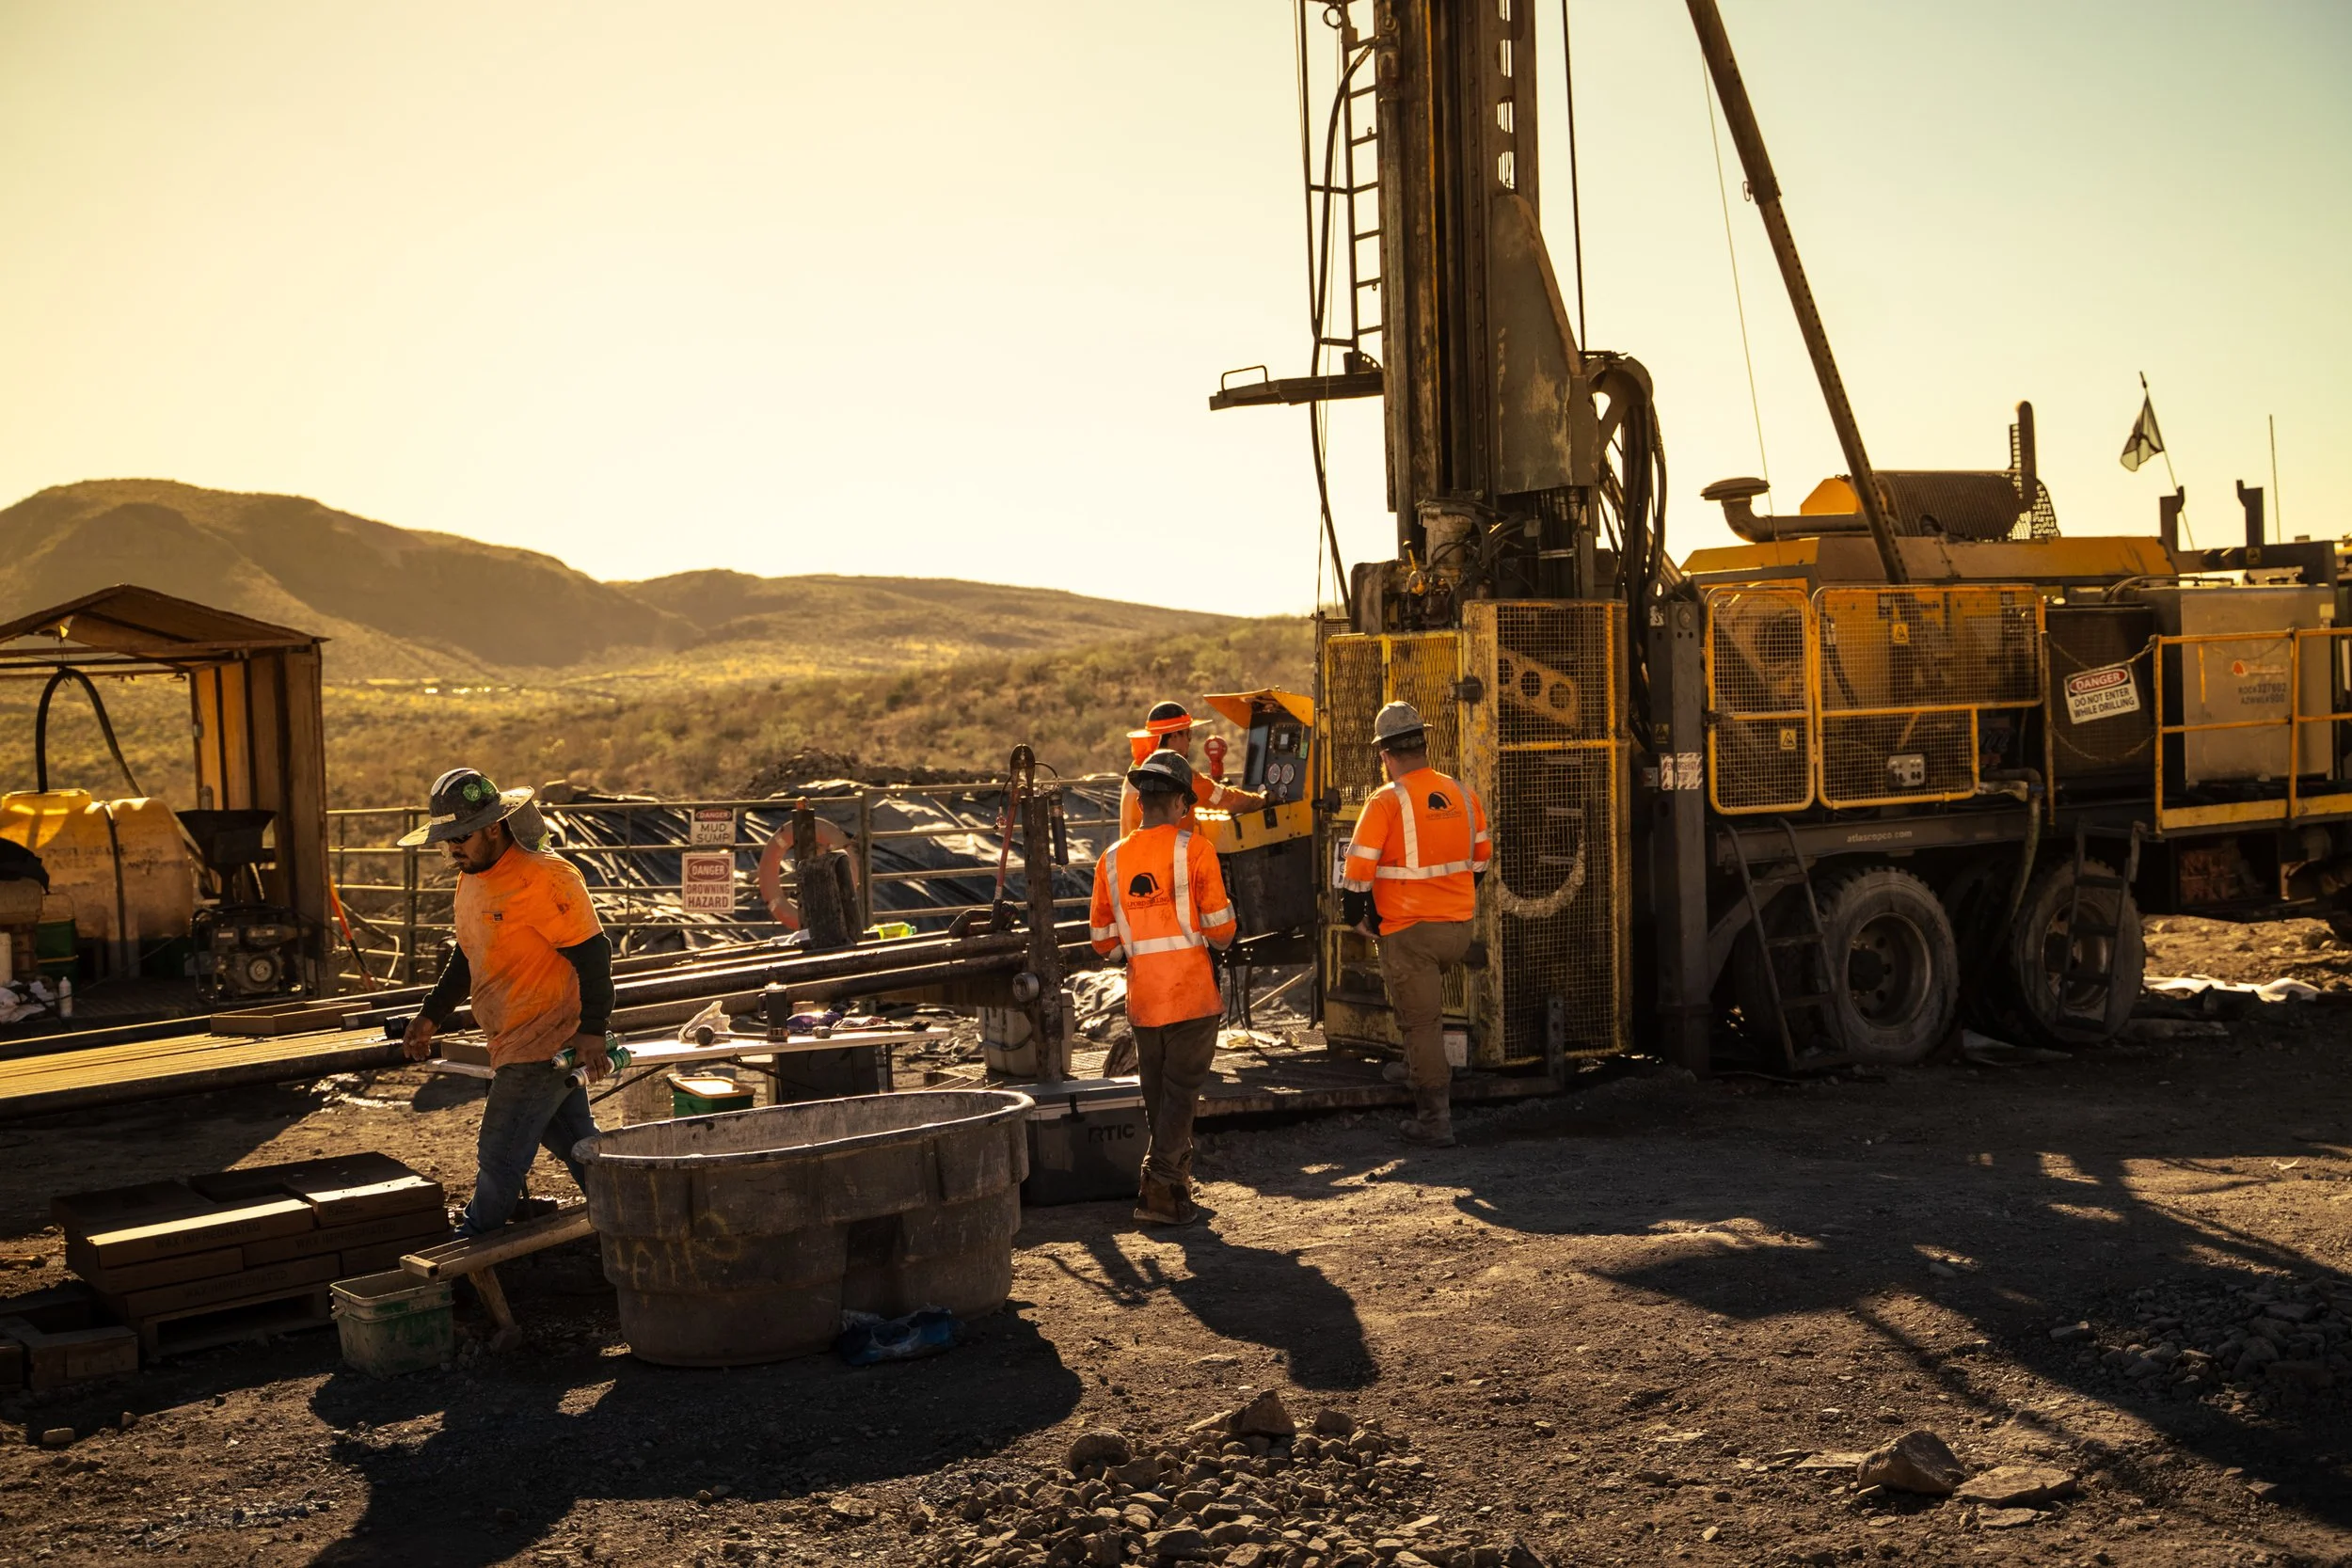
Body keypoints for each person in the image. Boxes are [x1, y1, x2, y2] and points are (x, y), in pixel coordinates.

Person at [397, 768, 616, 1237]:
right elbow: (469, 953)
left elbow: (594, 954)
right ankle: (632, 1217)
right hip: (512, 1037)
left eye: (463, 836)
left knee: (500, 1154)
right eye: (447, 839)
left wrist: (593, 1031)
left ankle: (473, 1248)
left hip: (543, 1042)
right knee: (580, 1143)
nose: (454, 848)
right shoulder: (472, 877)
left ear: (494, 827)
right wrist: (431, 1014)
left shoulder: (545, 879)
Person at [1090, 750, 1236, 1226]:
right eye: (1186, 805)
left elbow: (1102, 940)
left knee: (1159, 1096)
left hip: (1145, 1000)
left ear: (1141, 801)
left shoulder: (1111, 859)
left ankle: (1175, 1189)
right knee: (1180, 1094)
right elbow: (1221, 930)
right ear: (1176, 802)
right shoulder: (1195, 850)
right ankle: (1158, 1188)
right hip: (1191, 995)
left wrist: (1135, 955)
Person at [1338, 702, 1491, 1147]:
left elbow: (1359, 866)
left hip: (1409, 931)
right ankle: (1415, 1067)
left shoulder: (1386, 800)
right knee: (1419, 1011)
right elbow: (1481, 860)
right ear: (1424, 744)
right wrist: (1453, 898)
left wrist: (1355, 916)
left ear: (1385, 755)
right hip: (1457, 929)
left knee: (1422, 1023)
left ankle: (1434, 1121)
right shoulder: (1461, 793)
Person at [1117, 700, 1267, 837]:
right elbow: (1227, 800)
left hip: (1133, 860)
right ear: (1175, 736)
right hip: (1166, 861)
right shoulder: (1180, 775)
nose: (1189, 741)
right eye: (1188, 734)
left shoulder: (1136, 770)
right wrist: (1263, 800)